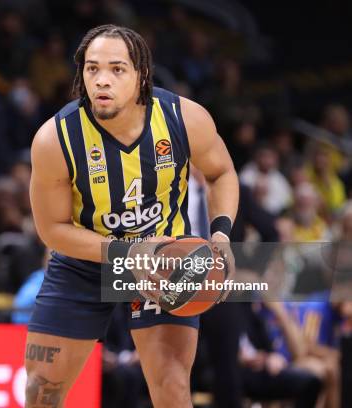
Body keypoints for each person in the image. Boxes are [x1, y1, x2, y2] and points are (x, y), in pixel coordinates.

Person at [26, 25, 238, 407]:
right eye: (92, 69)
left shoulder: (184, 118)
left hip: (164, 258)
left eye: (116, 69)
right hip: (86, 261)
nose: (102, 80)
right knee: (42, 391)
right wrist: (127, 254)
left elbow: (221, 172)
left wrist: (220, 235)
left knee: (172, 385)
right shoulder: (54, 139)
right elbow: (51, 230)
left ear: (141, 74)